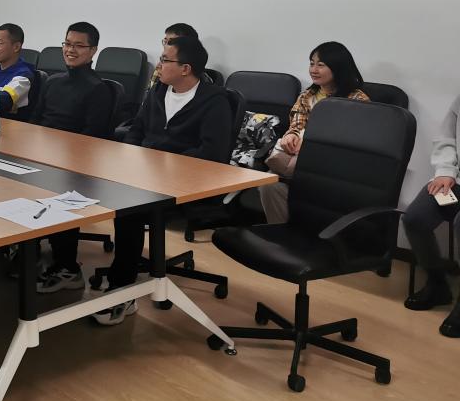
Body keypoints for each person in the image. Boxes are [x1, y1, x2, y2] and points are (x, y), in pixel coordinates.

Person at [95, 35, 232, 325]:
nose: (158, 65)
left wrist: (162, 163)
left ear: (186, 68)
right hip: (145, 175)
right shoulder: (158, 90)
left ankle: (122, 289)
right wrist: (130, 157)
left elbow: (211, 154)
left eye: (165, 60)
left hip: (187, 185)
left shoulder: (215, 101)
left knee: (128, 209)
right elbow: (137, 129)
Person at [34, 22, 116, 293]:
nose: (71, 50)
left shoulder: (98, 89)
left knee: (58, 186)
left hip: (74, 164)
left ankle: (68, 268)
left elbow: (91, 139)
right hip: (41, 155)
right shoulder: (53, 81)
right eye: (67, 44)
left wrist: (53, 155)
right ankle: (23, 251)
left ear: (93, 51)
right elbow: (34, 123)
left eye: (79, 46)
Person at [260, 41, 369, 224]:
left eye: (321, 65)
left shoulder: (357, 100)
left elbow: (355, 139)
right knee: (268, 185)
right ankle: (281, 232)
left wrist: (313, 144)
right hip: (299, 163)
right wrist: (291, 135)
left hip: (333, 166)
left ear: (338, 67)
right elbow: (296, 124)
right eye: (312, 63)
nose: (314, 70)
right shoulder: (307, 96)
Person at [402, 93, 460, 337]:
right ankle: (437, 284)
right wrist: (445, 170)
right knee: (415, 218)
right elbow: (447, 137)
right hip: (455, 179)